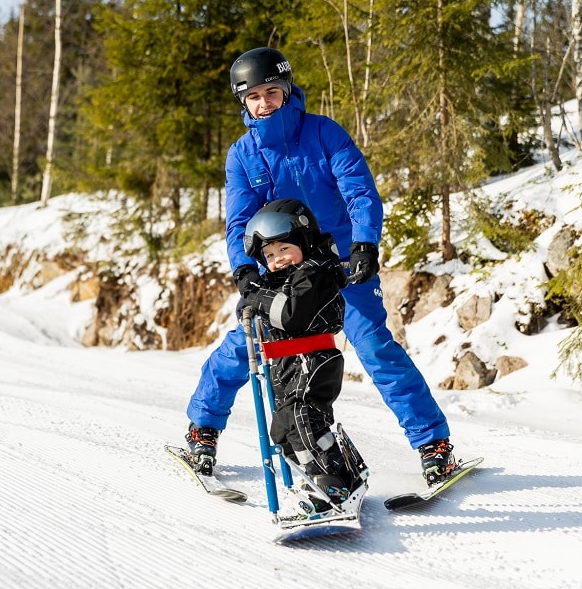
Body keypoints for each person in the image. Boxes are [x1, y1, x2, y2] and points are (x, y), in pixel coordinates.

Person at [184, 46, 455, 487]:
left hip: (342, 265)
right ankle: (203, 430)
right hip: (283, 271)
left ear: (287, 89)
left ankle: (433, 444)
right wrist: (244, 270)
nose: (264, 102)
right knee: (244, 345)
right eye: (253, 96)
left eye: (271, 91)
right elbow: (238, 222)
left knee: (375, 348)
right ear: (243, 102)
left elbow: (360, 191)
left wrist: (366, 243)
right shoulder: (243, 154)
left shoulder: (325, 133)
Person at [238, 199, 368, 506]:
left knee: (303, 418)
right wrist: (253, 293)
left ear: (305, 240)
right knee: (283, 432)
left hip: (313, 359)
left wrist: (255, 296)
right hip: (287, 363)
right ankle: (330, 475)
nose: (277, 259)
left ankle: (331, 483)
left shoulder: (316, 273)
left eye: (284, 249)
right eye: (269, 255)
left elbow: (289, 315)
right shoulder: (283, 281)